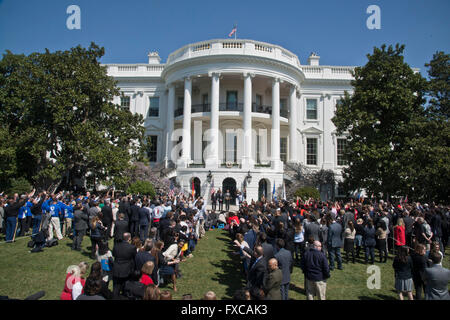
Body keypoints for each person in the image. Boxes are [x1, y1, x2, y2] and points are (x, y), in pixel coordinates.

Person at [112, 232, 137, 299]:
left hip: (116, 269)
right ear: (129, 239)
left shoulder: (116, 245)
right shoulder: (132, 248)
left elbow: (113, 254)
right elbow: (135, 257)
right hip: (126, 270)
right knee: (125, 288)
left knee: (115, 288)